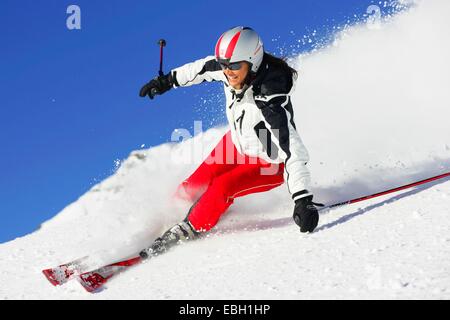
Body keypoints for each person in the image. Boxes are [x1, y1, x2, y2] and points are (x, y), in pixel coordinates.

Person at [138, 26, 320, 259]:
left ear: (252, 62)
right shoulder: (230, 70)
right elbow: (202, 68)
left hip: (270, 160)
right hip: (237, 142)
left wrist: (303, 200)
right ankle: (162, 220)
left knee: (222, 187)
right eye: (225, 65)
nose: (228, 71)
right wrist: (168, 81)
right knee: (192, 186)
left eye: (234, 66)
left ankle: (188, 229)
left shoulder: (269, 98)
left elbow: (292, 149)